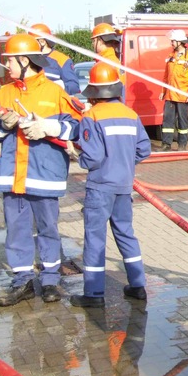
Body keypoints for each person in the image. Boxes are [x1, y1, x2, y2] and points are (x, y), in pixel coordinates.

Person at [0, 33, 81, 306]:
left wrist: (51, 127)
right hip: (13, 175)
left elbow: (77, 126)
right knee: (16, 229)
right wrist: (3, 125)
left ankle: (50, 280)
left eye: (11, 61)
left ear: (25, 61)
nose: (7, 67)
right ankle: (22, 281)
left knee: (48, 228)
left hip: (44, 175)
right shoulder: (5, 92)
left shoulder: (54, 92)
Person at [69, 62, 151, 308]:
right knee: (126, 234)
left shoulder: (91, 116)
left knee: (95, 238)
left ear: (94, 92)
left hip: (101, 186)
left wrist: (77, 156)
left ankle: (93, 294)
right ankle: (138, 286)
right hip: (124, 186)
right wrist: (125, 162)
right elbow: (144, 149)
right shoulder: (131, 114)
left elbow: (92, 157)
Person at [158, 29, 188, 152]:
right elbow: (166, 76)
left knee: (182, 121)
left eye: (173, 41)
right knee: (167, 121)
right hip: (170, 94)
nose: (171, 43)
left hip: (182, 94)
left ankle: (182, 145)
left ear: (179, 42)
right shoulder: (171, 56)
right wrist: (163, 91)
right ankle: (166, 144)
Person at [29, 22, 80, 95]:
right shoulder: (29, 60)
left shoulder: (62, 60)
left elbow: (74, 87)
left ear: (42, 42)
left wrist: (56, 87)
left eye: (32, 42)